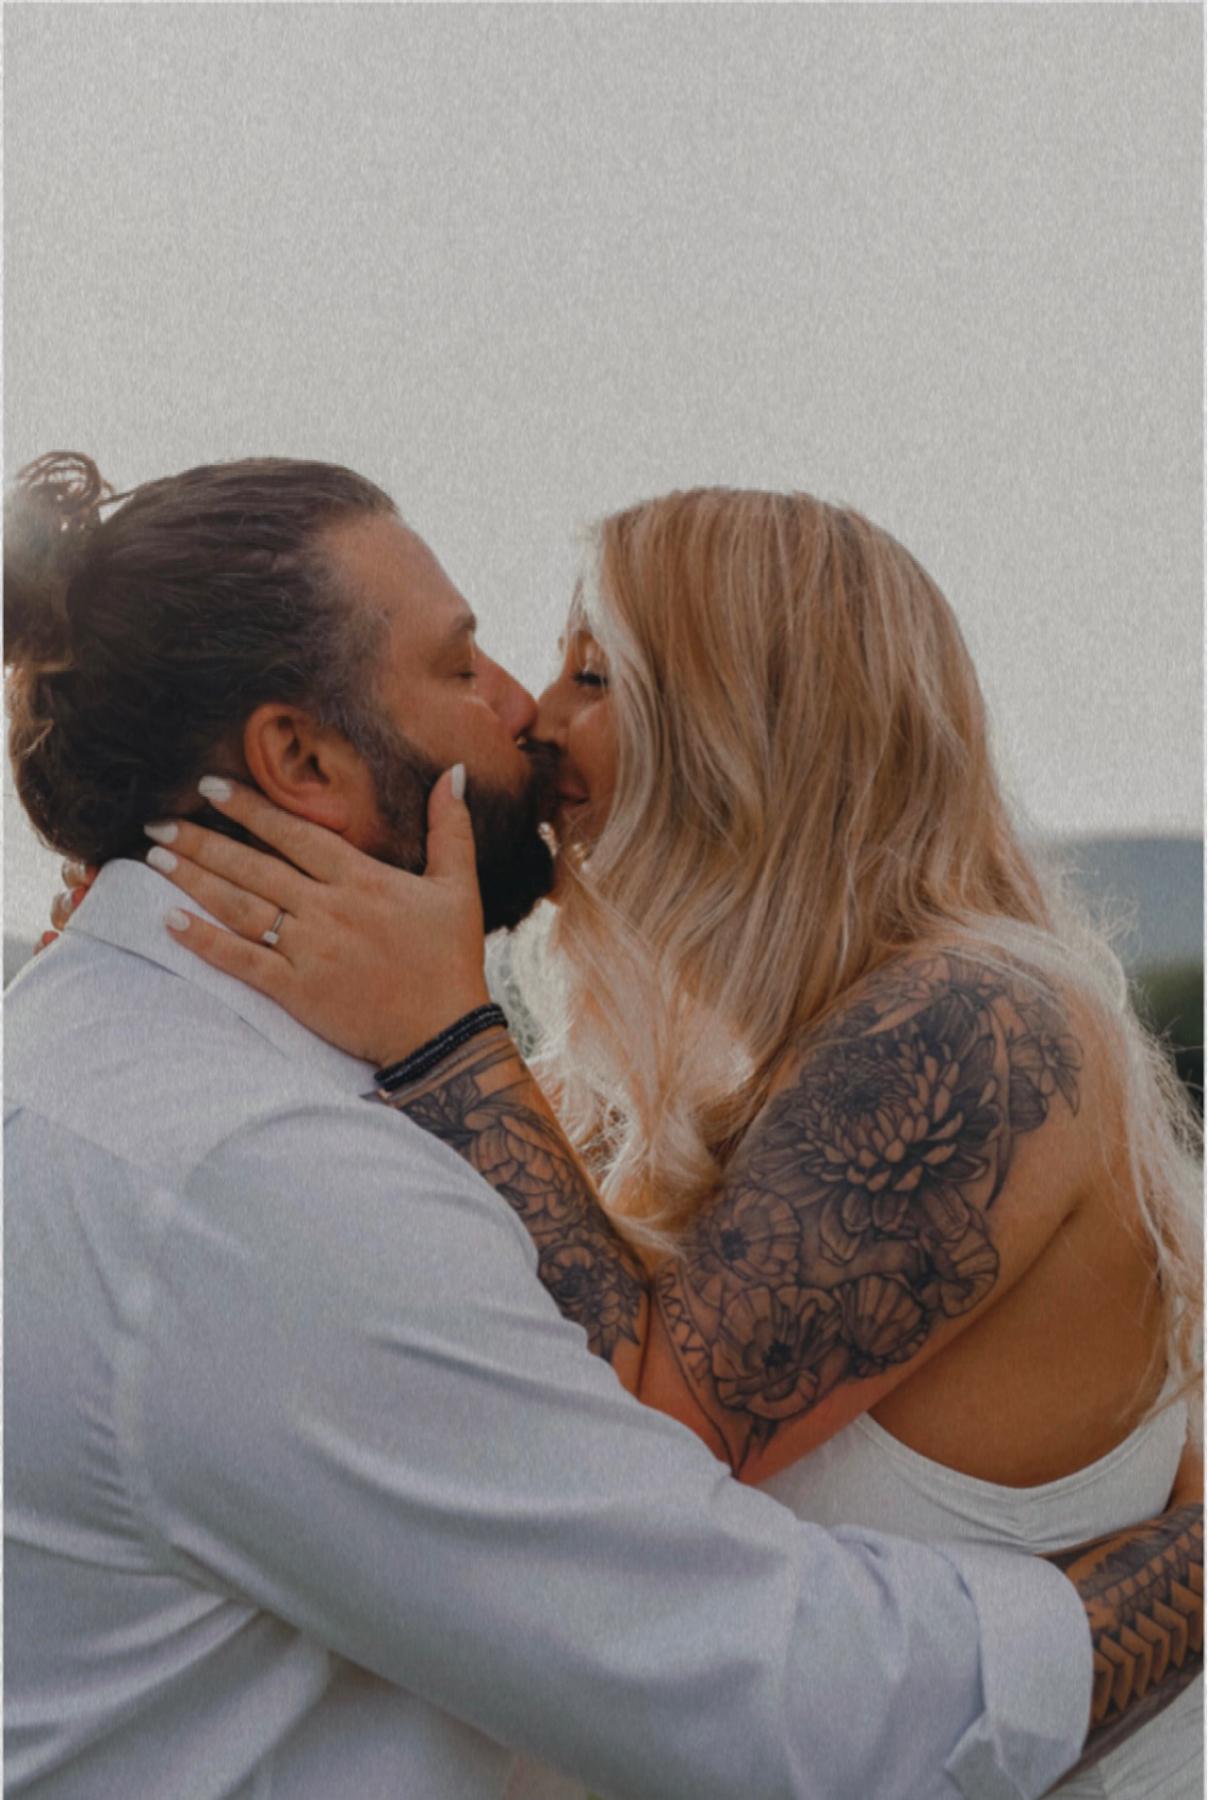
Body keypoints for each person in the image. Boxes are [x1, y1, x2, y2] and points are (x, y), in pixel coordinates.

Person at [4, 454, 1200, 1800]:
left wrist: (443, 1038)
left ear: (749, 722)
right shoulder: (269, 1161)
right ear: (300, 759)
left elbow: (647, 1441)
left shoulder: (965, 1030)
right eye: (471, 666)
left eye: (593, 673)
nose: (532, 715)